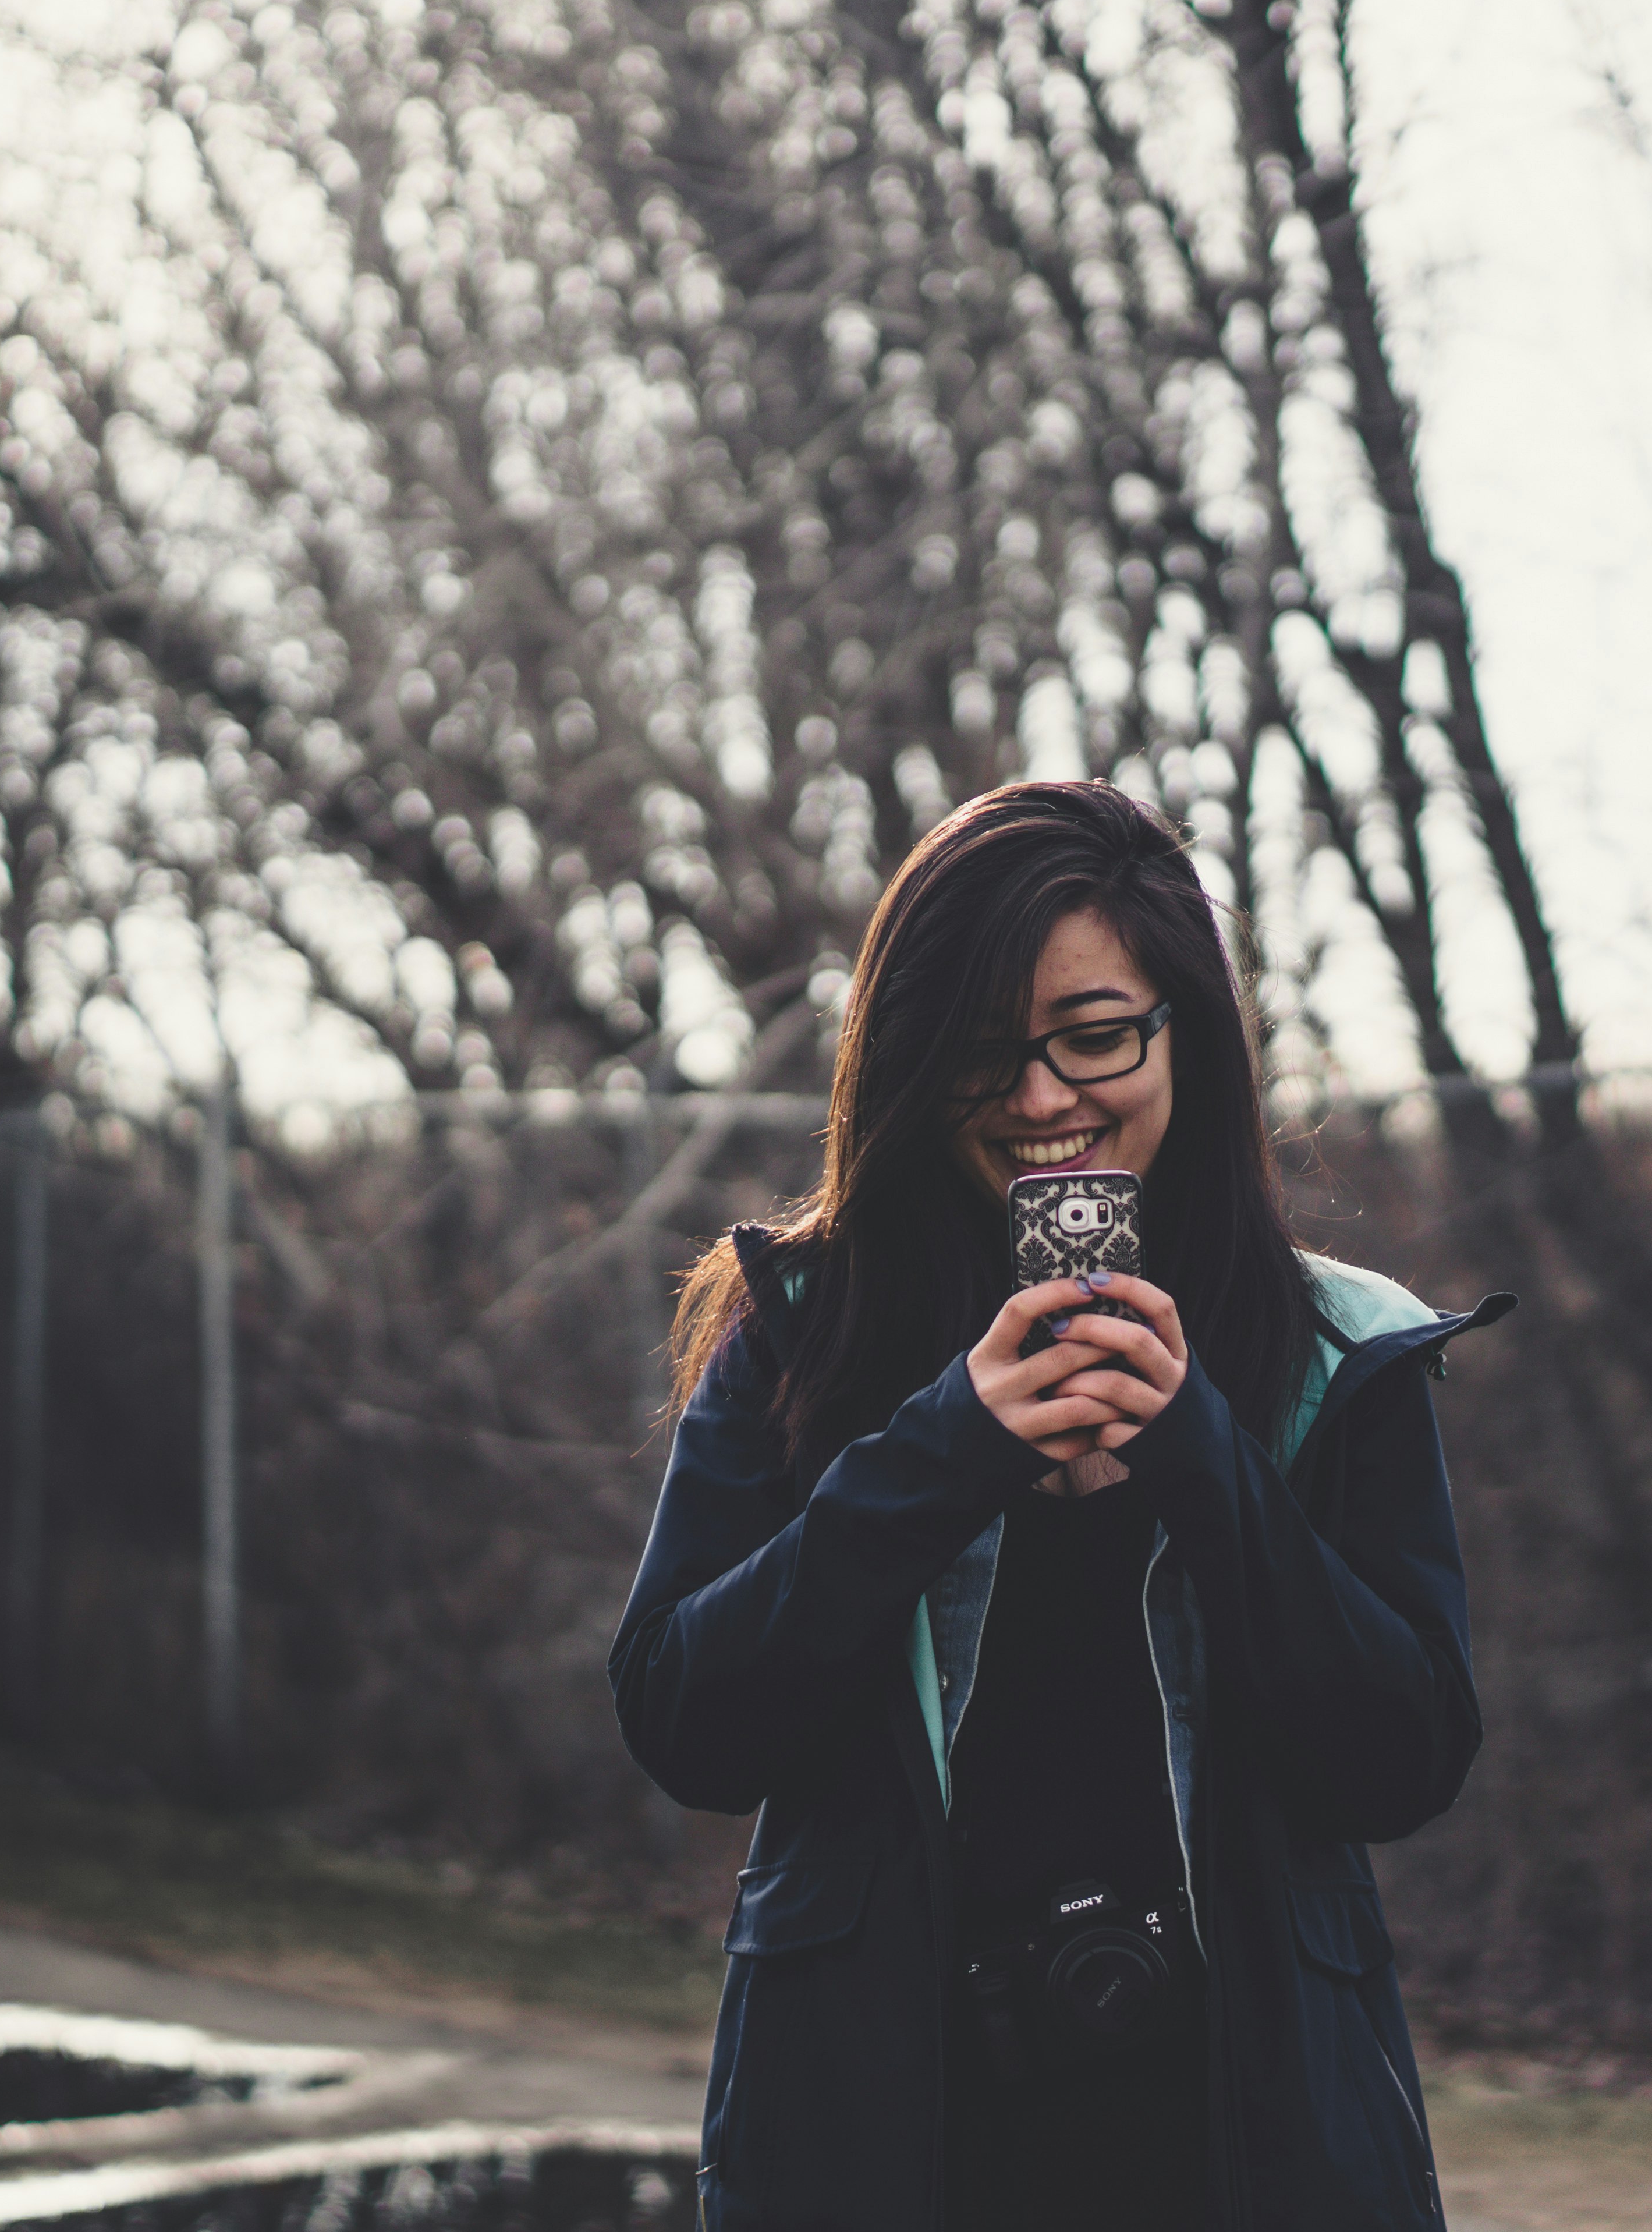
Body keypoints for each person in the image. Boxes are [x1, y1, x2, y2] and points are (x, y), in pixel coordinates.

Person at [611, 780, 1509, 2232]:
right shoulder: (801, 1325)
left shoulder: (1342, 1351)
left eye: (1094, 1039)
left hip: (1245, 2156)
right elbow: (684, 1720)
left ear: (1190, 1040)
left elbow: (1401, 1763)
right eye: (981, 1055)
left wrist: (1205, 1458)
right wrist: (943, 1453)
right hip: (885, 2157)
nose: (1041, 1100)